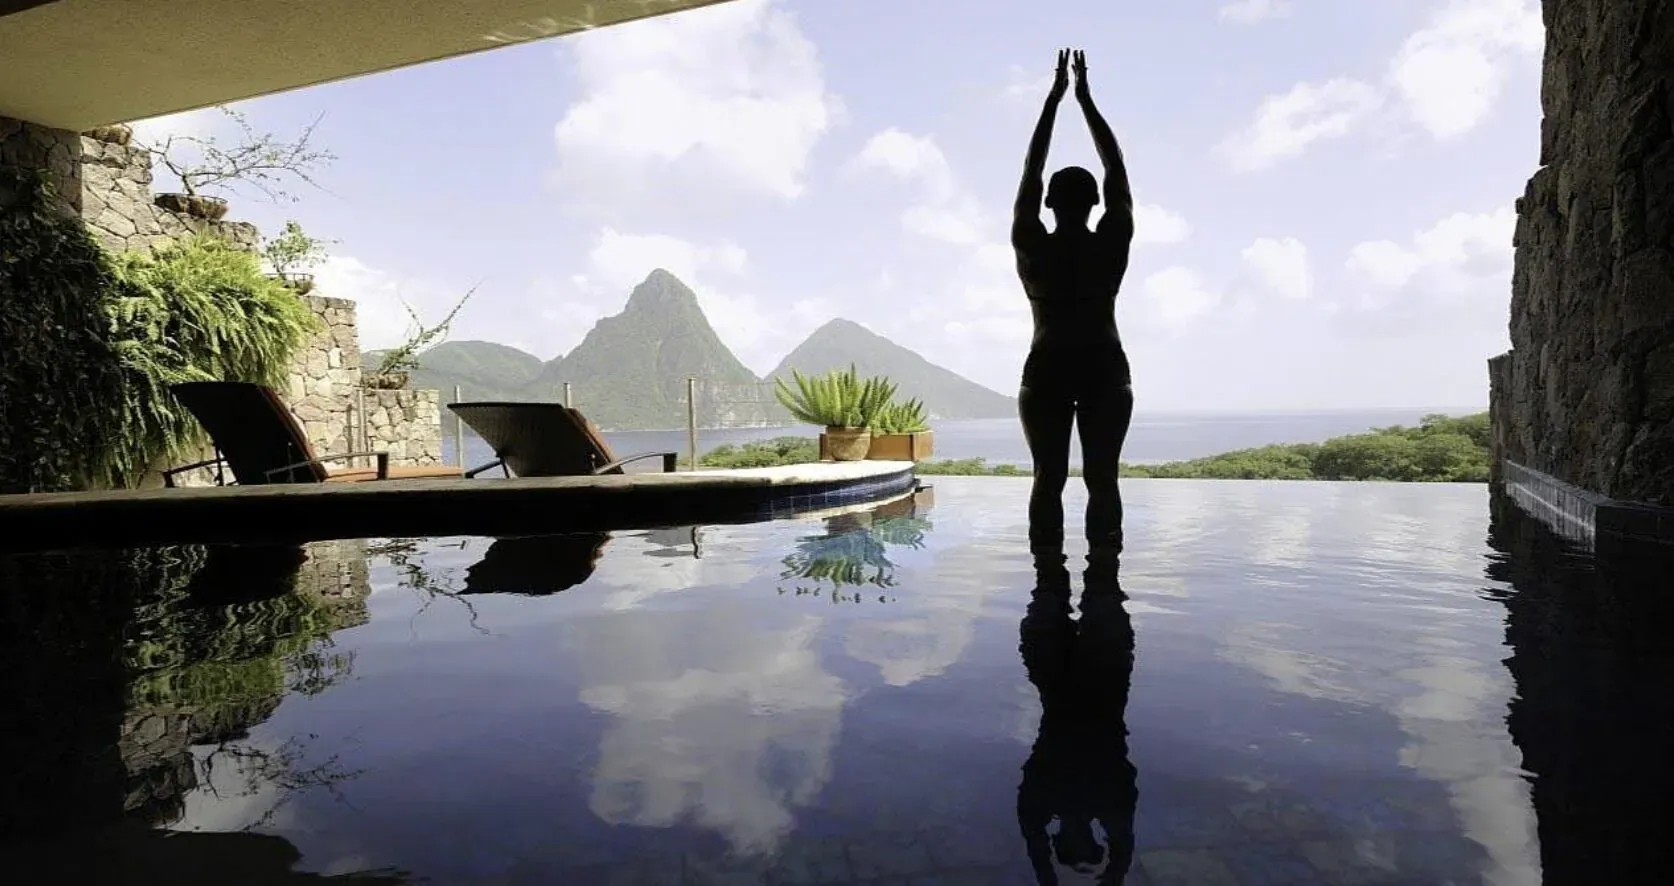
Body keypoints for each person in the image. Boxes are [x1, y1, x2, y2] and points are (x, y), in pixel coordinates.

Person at [1013, 49, 1136, 570]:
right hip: (1105, 368)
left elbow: (1031, 167)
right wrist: (1085, 100)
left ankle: (1047, 580)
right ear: (1095, 203)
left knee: (1049, 478)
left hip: (1047, 369)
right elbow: (1117, 167)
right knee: (1102, 478)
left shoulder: (1031, 244)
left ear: (1047, 203)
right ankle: (1105, 581)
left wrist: (1054, 100)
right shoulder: (1111, 243)